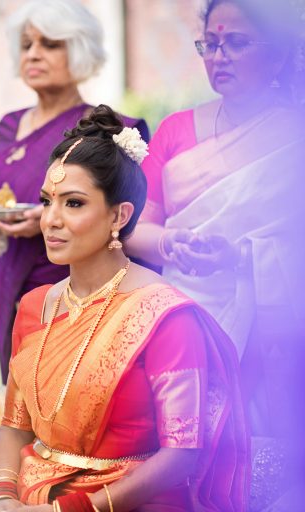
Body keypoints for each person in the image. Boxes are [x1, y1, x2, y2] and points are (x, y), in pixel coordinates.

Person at [0, 105, 248, 511]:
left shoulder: (165, 316)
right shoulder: (35, 306)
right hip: (35, 496)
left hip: (128, 503)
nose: (50, 220)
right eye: (46, 201)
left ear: (119, 216)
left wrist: (76, 507)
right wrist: (0, 496)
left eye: (73, 204)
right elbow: (14, 427)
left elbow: (182, 455)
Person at [125, 1, 305, 507]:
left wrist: (244, 257)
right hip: (188, 315)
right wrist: (170, 244)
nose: (219, 56)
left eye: (237, 43)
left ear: (277, 53)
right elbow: (138, 226)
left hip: (276, 323)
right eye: (210, 44)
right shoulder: (175, 129)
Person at [0, 0, 148, 384]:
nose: (34, 54)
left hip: (76, 286)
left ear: (79, 49)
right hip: (9, 282)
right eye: (27, 44)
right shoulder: (6, 129)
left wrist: (52, 217)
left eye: (50, 44)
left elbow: (133, 225)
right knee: (21, 405)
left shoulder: (108, 130)